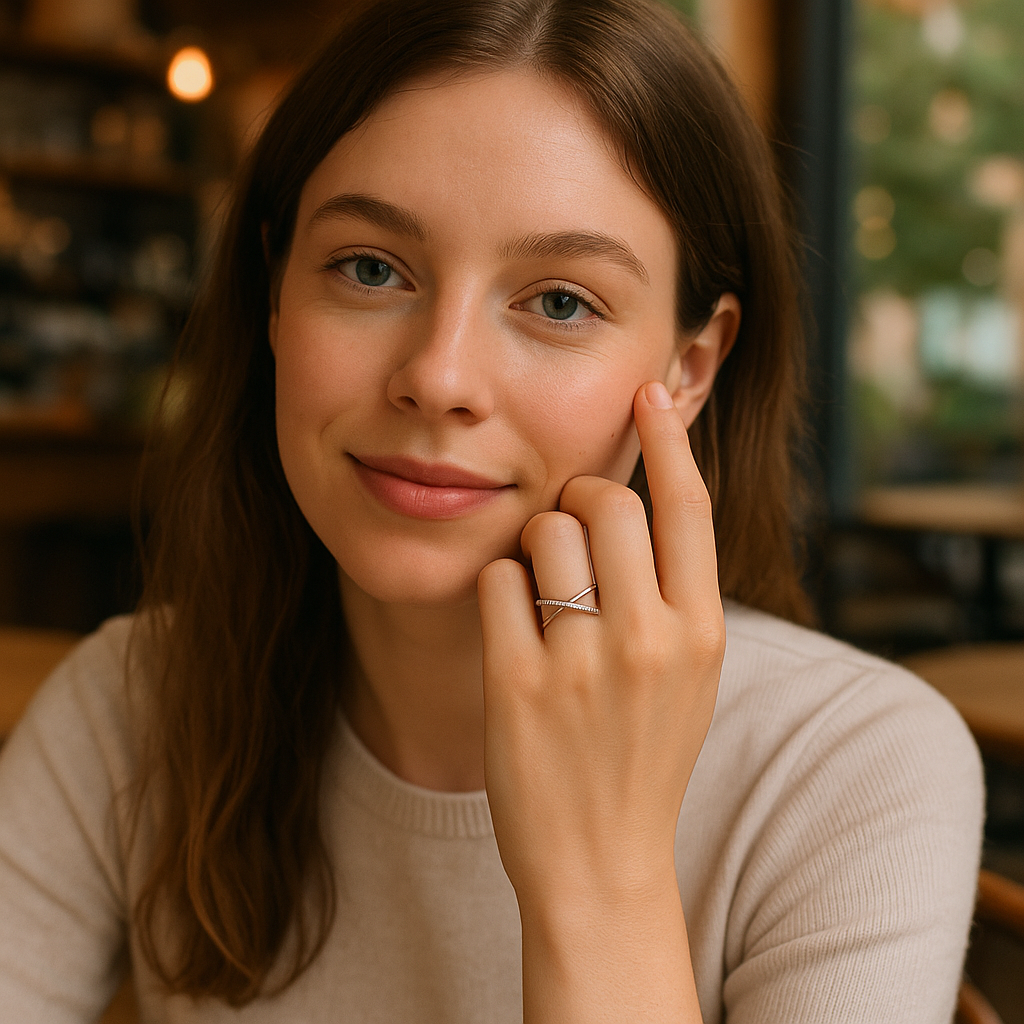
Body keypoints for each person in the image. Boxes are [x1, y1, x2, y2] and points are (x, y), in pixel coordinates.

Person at [0, 0, 984, 1020]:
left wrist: (600, 878)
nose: (439, 375)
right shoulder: (131, 710)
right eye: (370, 269)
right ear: (276, 300)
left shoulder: (849, 766)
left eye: (560, 300)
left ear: (689, 369)